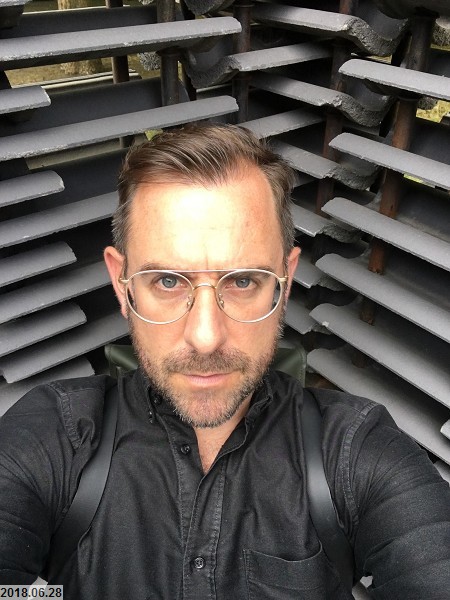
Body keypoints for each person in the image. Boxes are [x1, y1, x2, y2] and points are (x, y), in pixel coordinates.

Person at [0, 124, 449, 600]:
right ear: (121, 283)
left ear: (285, 281)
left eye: (243, 280)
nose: (206, 337)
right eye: (167, 281)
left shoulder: (356, 451)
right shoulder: (55, 434)